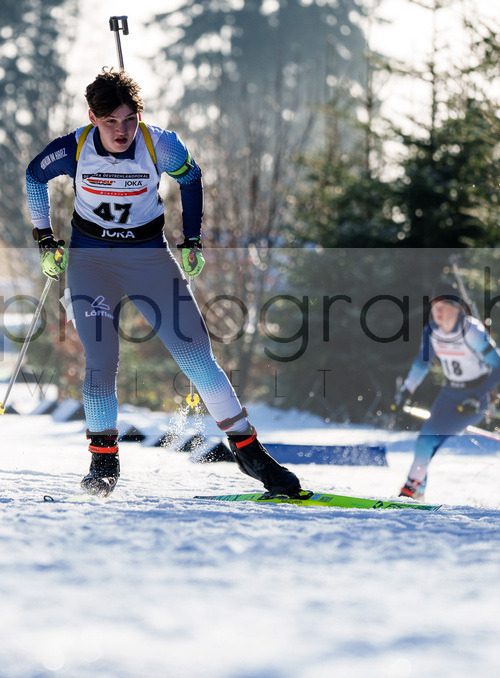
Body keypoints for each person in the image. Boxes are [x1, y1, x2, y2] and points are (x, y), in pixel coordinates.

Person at [24, 69, 301, 498]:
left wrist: (192, 238)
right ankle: (103, 461)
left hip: (150, 259)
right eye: (111, 121)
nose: (122, 131)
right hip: (91, 262)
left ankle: (249, 453)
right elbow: (33, 176)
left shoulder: (160, 144)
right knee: (101, 361)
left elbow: (191, 177)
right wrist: (45, 240)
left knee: (196, 354)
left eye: (130, 119)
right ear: (93, 118)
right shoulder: (74, 147)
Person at [392, 281, 500, 500]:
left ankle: (411, 488)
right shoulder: (432, 331)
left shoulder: (471, 331)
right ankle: (418, 488)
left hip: (475, 397)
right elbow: (422, 364)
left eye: (443, 306)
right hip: (448, 394)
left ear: (456, 308)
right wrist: (406, 391)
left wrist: (477, 396)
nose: (437, 311)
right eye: (434, 306)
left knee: (427, 439)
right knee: (427, 441)